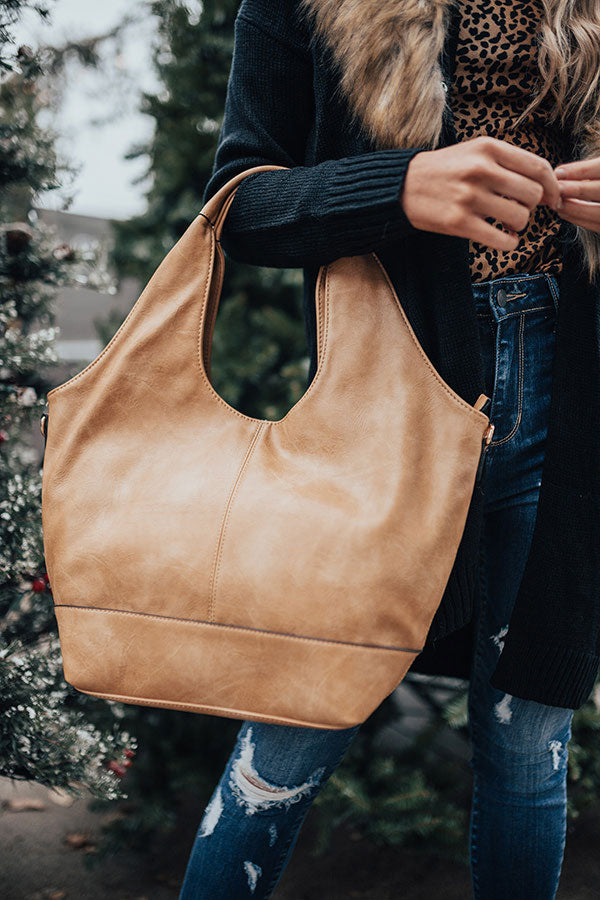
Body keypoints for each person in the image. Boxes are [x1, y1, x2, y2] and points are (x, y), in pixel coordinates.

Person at [179, 1, 600, 897]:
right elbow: (239, 205)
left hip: (570, 406)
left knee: (531, 749)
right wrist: (398, 186)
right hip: (382, 411)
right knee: (289, 736)